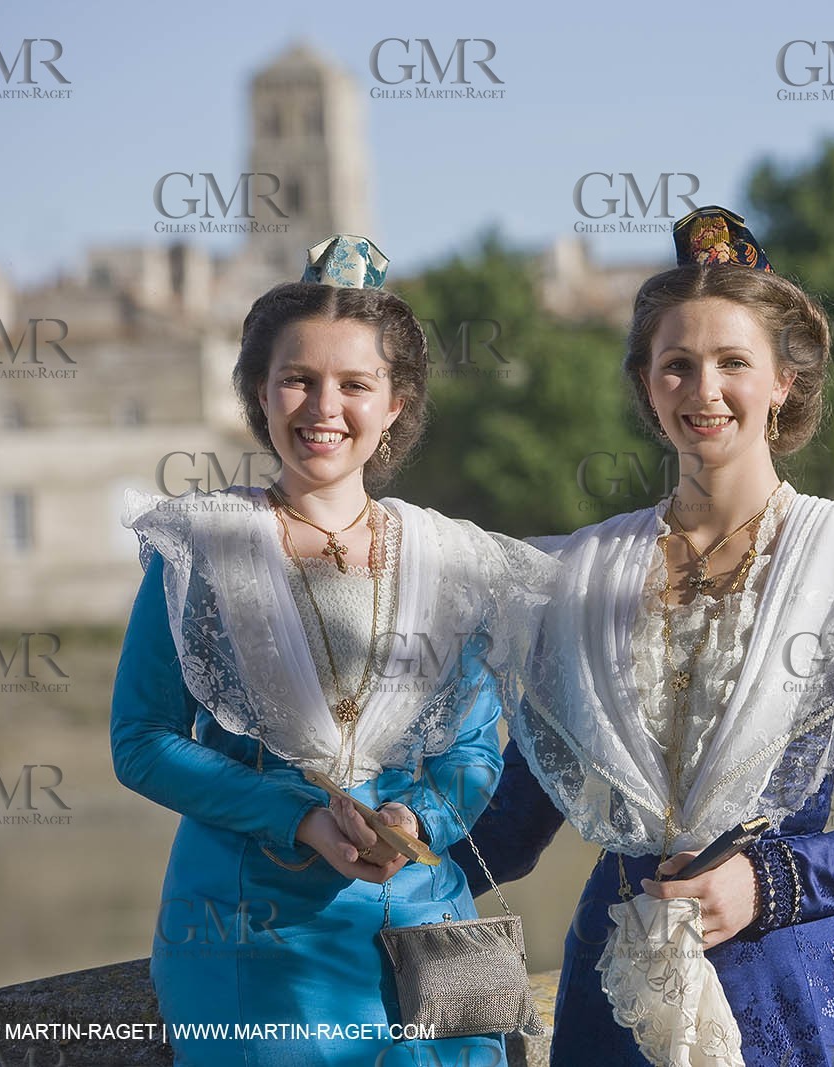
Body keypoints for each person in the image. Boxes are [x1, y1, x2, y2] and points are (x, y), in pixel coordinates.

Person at [457, 208, 834, 1066]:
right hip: (618, 999)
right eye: (678, 365)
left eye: (733, 361)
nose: (705, 389)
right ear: (648, 386)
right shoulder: (582, 578)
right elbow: (516, 823)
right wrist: (378, 852)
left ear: (783, 380)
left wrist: (769, 883)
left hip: (808, 992)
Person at [111, 235, 550, 1066]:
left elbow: (472, 751)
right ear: (259, 392)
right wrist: (300, 816)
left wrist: (415, 817)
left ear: (394, 404)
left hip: (424, 924)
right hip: (256, 936)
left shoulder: (446, 560)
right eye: (298, 379)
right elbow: (141, 740)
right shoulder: (200, 549)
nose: (324, 407)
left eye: (355, 383)